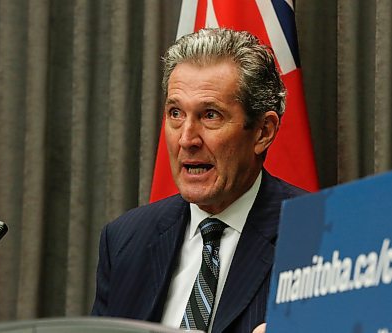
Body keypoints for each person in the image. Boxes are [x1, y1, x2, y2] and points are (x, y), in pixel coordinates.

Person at [91, 28, 307, 333]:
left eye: (210, 115)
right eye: (176, 113)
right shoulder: (126, 240)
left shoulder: (311, 236)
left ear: (263, 132)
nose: (187, 139)